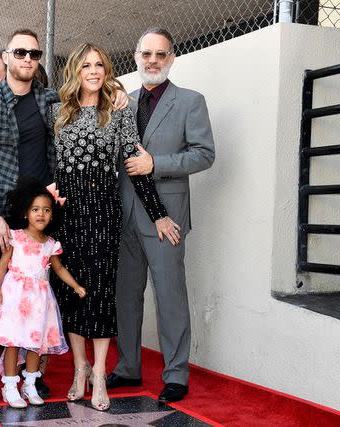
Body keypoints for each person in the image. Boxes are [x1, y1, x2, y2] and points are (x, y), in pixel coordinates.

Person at [0, 28, 128, 403]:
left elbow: (89, 95)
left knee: (41, 297)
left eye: (34, 54)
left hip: (42, 216)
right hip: (1, 216)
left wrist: (119, 92)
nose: (27, 59)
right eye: (20, 52)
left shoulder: (50, 100)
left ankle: (32, 374)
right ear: (6, 57)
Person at [49, 43, 172, 411]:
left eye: (99, 64)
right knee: (71, 291)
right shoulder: (57, 111)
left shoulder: (118, 110)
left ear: (107, 70)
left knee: (100, 293)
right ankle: (80, 367)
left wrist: (159, 213)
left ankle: (100, 372)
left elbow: (134, 161)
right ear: (75, 70)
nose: (93, 70)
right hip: (68, 215)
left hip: (103, 212)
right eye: (85, 65)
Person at [108, 27, 216, 404]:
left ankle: (176, 374)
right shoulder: (122, 102)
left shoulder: (190, 101)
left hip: (165, 218)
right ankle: (127, 367)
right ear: (136, 57)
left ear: (171, 59)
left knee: (170, 295)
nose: (152, 60)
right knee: (125, 297)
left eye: (160, 54)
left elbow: (204, 154)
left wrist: (156, 164)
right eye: (146, 53)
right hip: (122, 217)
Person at [0, 177, 85, 408]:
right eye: (35, 209)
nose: (41, 214)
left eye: (46, 210)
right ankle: (10, 386)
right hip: (14, 298)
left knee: (36, 344)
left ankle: (30, 384)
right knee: (12, 342)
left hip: (39, 301)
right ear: (25, 213)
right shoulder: (16, 237)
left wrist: (75, 285)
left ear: (52, 215)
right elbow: (2, 265)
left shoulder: (51, 244)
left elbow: (59, 268)